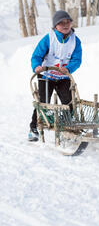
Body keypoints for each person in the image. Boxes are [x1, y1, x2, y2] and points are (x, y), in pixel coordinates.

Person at [28, 10, 82, 141]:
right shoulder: (49, 39)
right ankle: (34, 128)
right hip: (46, 75)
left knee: (68, 103)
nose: (65, 25)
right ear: (55, 26)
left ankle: (68, 128)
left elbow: (77, 59)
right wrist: (37, 67)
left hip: (63, 77)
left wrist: (68, 68)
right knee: (43, 102)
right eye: (61, 23)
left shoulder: (75, 41)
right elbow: (36, 56)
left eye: (68, 22)